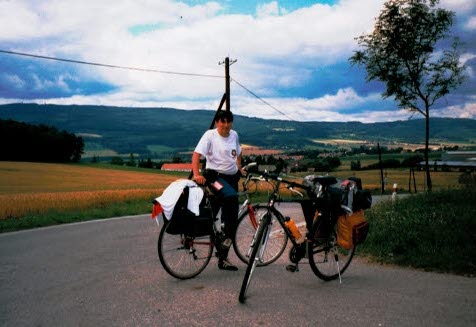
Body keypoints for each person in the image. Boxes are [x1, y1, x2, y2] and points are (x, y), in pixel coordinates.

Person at [192, 110, 245, 271]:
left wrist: (240, 168)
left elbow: (238, 153)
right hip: (214, 177)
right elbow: (196, 155)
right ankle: (193, 233)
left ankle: (223, 255)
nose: (226, 125)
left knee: (230, 218)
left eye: (228, 121)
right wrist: (196, 174)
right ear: (217, 123)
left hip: (231, 178)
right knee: (230, 197)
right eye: (222, 121)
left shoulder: (234, 135)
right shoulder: (210, 135)